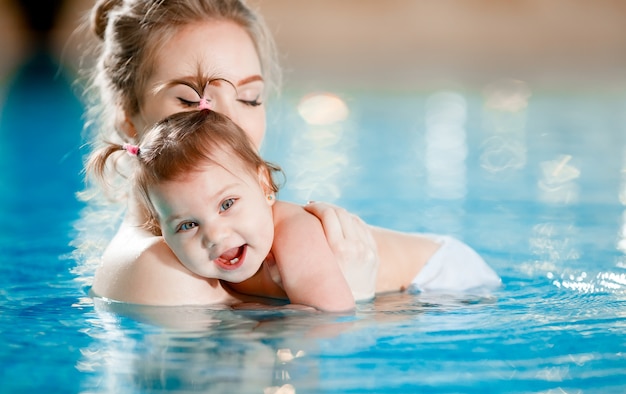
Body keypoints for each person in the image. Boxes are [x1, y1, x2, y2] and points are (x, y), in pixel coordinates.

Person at [80, 0, 380, 306]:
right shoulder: (157, 271)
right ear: (128, 117)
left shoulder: (272, 232)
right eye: (192, 102)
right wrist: (358, 295)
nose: (229, 124)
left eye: (250, 99)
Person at [94, 108, 501, 312]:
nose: (214, 235)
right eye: (186, 223)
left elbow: (332, 320)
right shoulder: (218, 259)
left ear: (265, 186)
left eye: (228, 204)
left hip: (445, 275)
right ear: (159, 230)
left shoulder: (293, 234)